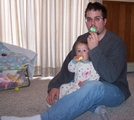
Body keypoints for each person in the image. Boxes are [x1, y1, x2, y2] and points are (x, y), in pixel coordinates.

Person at [1, 2, 131, 120]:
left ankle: (42, 118)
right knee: (66, 87)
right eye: (89, 19)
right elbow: (69, 64)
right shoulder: (82, 39)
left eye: (97, 19)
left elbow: (111, 76)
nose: (93, 23)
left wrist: (94, 49)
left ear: (104, 21)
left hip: (114, 89)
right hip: (86, 82)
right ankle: (95, 106)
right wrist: (55, 85)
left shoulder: (116, 43)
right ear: (86, 22)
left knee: (92, 87)